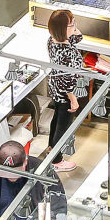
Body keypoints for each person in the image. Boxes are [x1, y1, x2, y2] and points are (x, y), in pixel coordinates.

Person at [42, 10, 87, 171]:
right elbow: (67, 80)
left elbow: (78, 37)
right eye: (72, 23)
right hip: (65, 91)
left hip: (55, 86)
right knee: (63, 126)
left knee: (57, 119)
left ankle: (50, 150)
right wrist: (73, 99)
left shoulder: (53, 41)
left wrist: (72, 27)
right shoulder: (67, 52)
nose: (75, 25)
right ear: (62, 29)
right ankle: (56, 160)